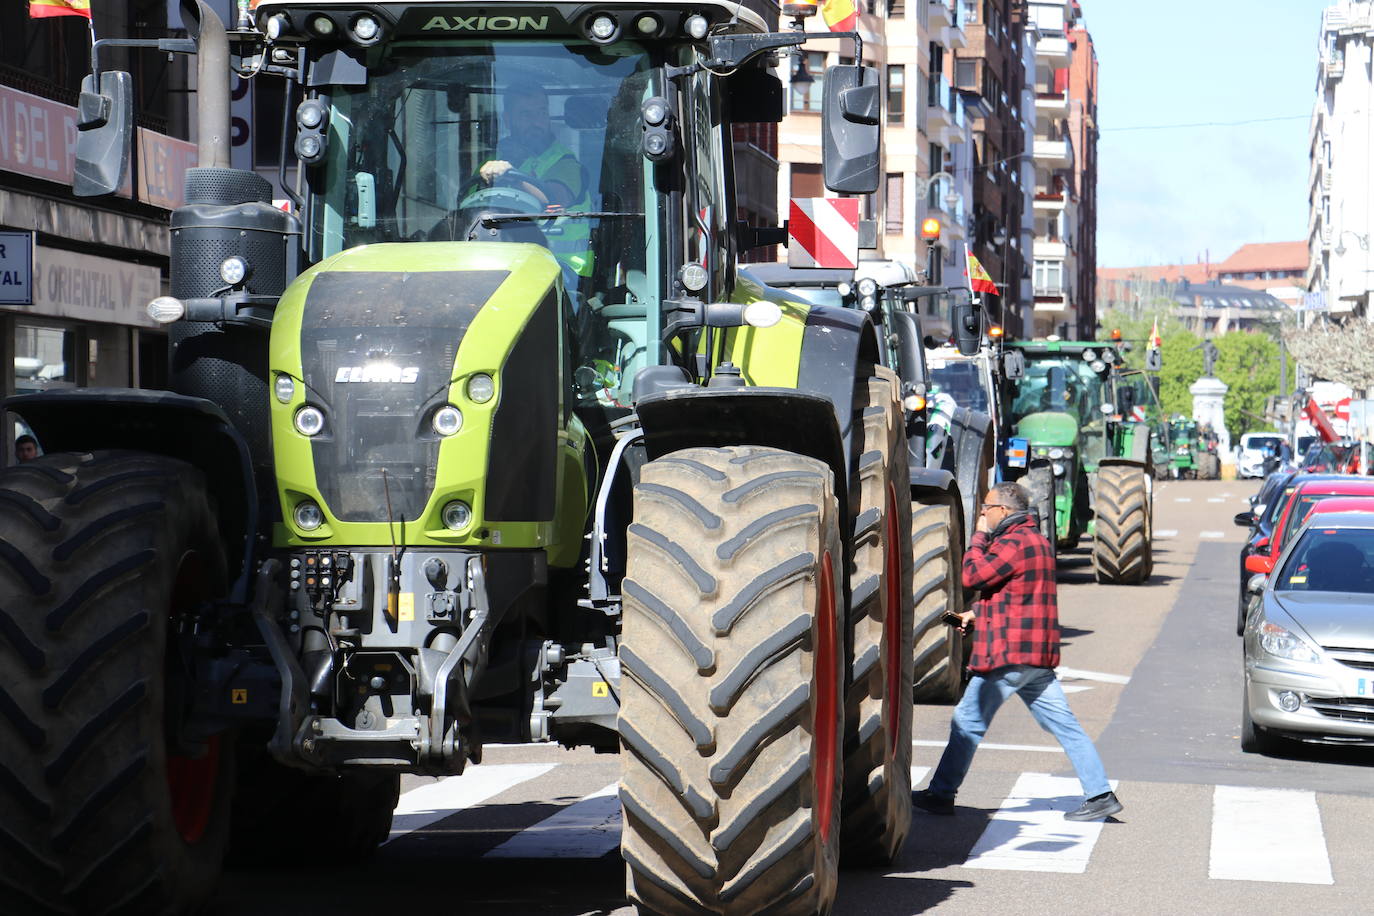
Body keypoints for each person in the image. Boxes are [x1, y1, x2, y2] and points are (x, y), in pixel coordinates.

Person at [912, 481, 1123, 822]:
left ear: (1004, 511)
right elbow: (1018, 597)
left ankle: (941, 793)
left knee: (967, 721)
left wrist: (978, 537)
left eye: (986, 508)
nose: (982, 513)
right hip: (1035, 657)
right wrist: (976, 615)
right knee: (1066, 726)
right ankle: (1100, 794)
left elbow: (972, 575)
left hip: (1007, 657)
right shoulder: (1037, 542)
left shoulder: (1012, 543)